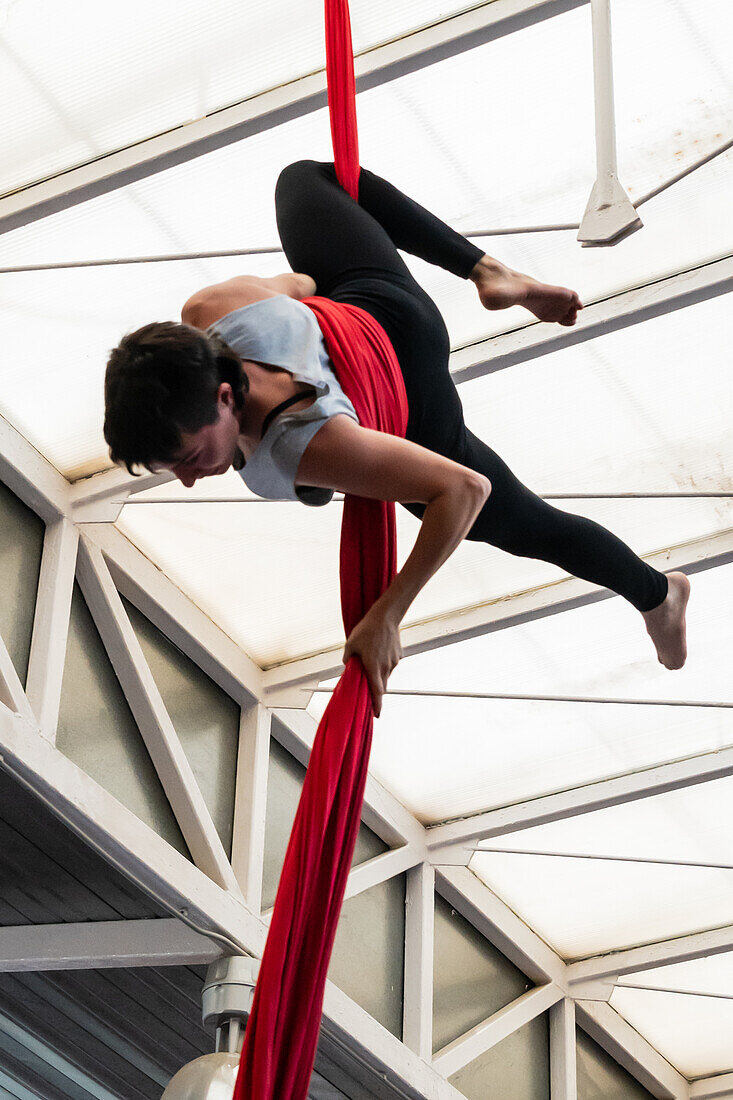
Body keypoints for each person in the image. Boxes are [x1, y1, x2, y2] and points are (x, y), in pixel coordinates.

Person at [104, 160, 689, 715]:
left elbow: (463, 490)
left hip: (409, 403)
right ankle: (490, 272)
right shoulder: (215, 308)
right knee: (305, 179)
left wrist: (387, 614)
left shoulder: (298, 445)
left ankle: (659, 594)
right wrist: (318, 339)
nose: (184, 477)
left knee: (524, 523)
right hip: (380, 302)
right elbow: (305, 280)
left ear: (223, 397)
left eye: (185, 457)